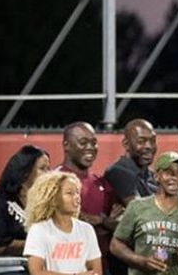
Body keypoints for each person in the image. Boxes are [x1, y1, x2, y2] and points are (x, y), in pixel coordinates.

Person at [110, 151, 178, 275]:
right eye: (168, 173)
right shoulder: (137, 207)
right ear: (156, 176)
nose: (174, 178)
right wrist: (141, 261)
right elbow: (115, 245)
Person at [57, 122, 122, 271]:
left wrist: (102, 222)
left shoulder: (101, 182)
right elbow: (68, 220)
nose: (90, 147)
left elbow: (119, 220)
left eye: (94, 143)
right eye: (83, 142)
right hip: (66, 266)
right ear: (66, 145)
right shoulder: (55, 179)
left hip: (101, 265)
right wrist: (103, 222)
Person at [23, 171, 102, 275]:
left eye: (77, 192)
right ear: (53, 198)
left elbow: (97, 271)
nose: (77, 197)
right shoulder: (38, 230)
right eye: (70, 193)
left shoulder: (87, 230)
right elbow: (37, 272)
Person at [0, 145, 50, 255]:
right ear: (25, 172)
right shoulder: (2, 202)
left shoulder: (50, 203)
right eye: (42, 169)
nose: (48, 174)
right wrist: (34, 244)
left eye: (48, 169)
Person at [104, 118, 158, 205]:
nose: (149, 146)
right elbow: (139, 212)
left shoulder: (152, 176)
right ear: (126, 144)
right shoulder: (118, 172)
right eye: (141, 141)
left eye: (153, 141)